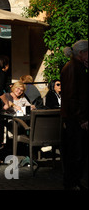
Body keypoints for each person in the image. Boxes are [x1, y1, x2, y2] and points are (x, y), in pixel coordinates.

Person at [60, 40, 88, 190]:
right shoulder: (72, 68)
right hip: (75, 119)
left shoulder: (77, 67)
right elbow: (72, 96)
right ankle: (72, 183)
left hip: (75, 117)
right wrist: (82, 118)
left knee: (78, 153)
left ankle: (74, 182)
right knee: (75, 153)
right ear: (82, 53)